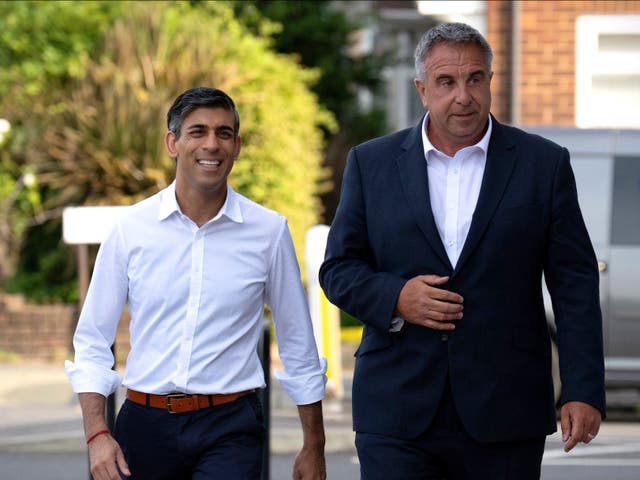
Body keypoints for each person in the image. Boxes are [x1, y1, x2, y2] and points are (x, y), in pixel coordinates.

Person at [319, 22, 605, 479]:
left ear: (490, 81)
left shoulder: (543, 164)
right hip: (396, 411)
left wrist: (583, 389)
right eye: (446, 82)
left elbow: (574, 283)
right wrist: (396, 298)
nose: (463, 96)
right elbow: (338, 270)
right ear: (422, 89)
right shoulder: (370, 164)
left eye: (475, 78)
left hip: (506, 410)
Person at [65, 87, 327, 480]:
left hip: (230, 426)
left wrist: (314, 445)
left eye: (224, 133)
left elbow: (298, 343)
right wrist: (97, 434)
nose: (212, 144)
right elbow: (91, 341)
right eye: (197, 131)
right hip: (143, 423)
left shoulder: (268, 232)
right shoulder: (130, 229)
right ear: (173, 142)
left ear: (237, 146)